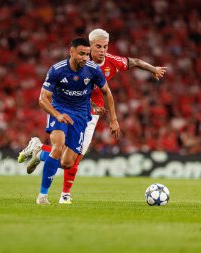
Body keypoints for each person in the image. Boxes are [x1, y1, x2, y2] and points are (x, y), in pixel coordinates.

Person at [18, 29, 167, 204]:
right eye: (98, 47)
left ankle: (40, 152)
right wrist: (87, 105)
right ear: (89, 46)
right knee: (59, 147)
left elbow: (133, 63)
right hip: (68, 108)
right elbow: (60, 92)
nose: (102, 50)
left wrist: (153, 69)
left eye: (105, 47)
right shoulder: (72, 65)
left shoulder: (105, 65)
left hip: (87, 115)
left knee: (72, 159)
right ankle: (63, 194)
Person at [34, 37, 120, 205]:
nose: (85, 58)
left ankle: (39, 152)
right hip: (60, 109)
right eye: (81, 54)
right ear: (71, 52)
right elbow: (42, 99)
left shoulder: (93, 70)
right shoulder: (57, 70)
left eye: (87, 54)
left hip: (81, 115)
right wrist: (57, 114)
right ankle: (42, 196)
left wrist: (114, 120)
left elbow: (107, 92)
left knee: (67, 163)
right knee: (58, 147)